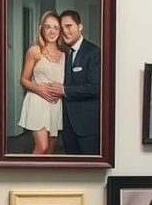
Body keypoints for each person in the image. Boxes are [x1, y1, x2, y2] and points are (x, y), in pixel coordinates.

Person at [44, 10, 101, 155]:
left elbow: (95, 88)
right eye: (62, 29)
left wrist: (64, 90)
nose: (65, 32)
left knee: (90, 173)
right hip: (67, 127)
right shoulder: (65, 52)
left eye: (69, 26)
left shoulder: (93, 52)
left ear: (80, 27)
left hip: (87, 128)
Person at [17, 11, 65, 155]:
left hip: (56, 105)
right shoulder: (34, 51)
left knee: (50, 150)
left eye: (56, 28)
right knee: (42, 147)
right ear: (41, 29)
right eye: (48, 27)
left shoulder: (65, 53)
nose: (52, 31)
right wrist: (39, 89)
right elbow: (23, 79)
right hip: (37, 102)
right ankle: (29, 177)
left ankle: (46, 178)